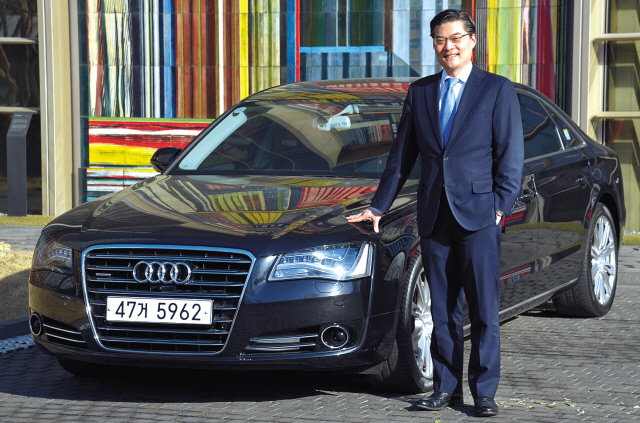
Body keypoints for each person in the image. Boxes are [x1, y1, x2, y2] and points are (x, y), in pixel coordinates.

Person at [347, 9, 524, 418]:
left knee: (483, 309)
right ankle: (445, 389)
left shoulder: (496, 89)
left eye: (456, 38)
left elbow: (510, 157)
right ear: (434, 46)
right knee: (441, 308)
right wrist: (377, 207)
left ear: (472, 40)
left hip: (479, 215)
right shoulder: (421, 92)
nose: (449, 47)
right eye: (441, 40)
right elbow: (401, 158)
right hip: (434, 215)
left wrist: (499, 209)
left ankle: (483, 393)